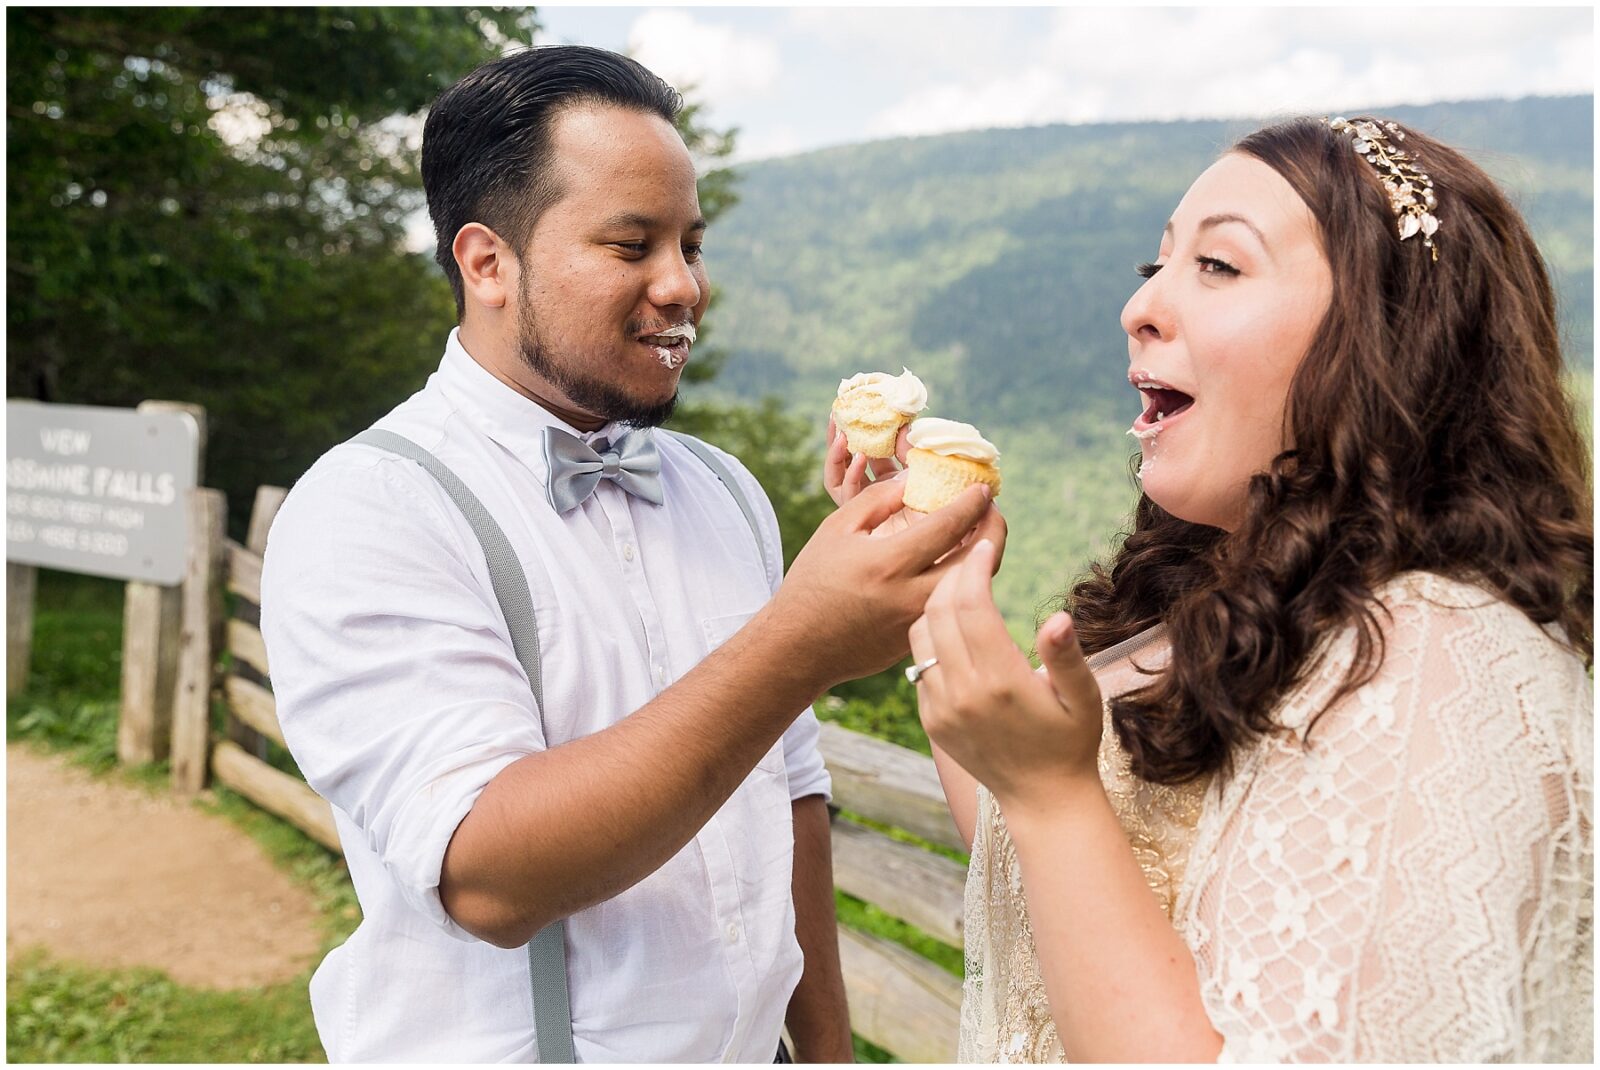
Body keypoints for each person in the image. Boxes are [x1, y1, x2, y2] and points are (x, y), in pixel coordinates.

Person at [261, 46, 1005, 1063]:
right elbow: (487, 875)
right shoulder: (369, 509)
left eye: (691, 244)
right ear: (486, 263)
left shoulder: (724, 489)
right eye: (631, 245)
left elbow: (787, 797)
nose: (684, 286)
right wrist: (804, 638)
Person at [828, 115, 1592, 1061]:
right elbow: (1051, 871)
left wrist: (1054, 796)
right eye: (1155, 267)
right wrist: (937, 585)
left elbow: (1057, 818)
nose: (1139, 309)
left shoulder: (1449, 657)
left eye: (1219, 266)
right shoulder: (1218, 602)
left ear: (1390, 334)